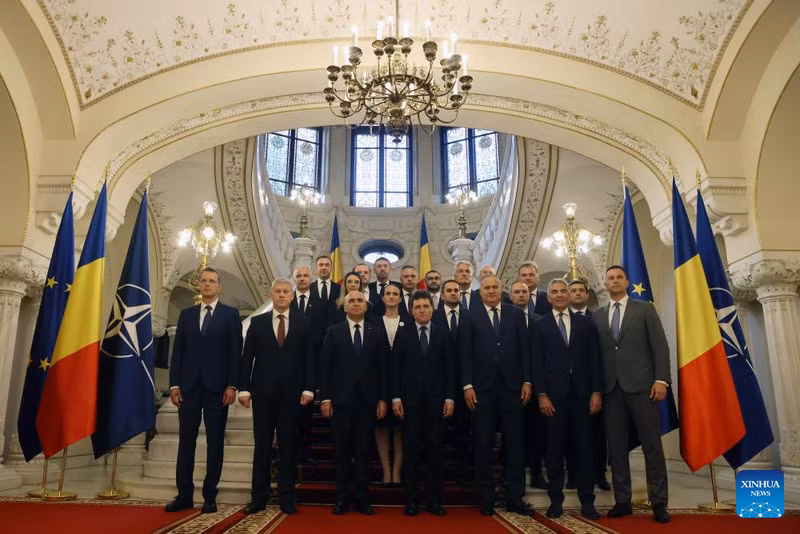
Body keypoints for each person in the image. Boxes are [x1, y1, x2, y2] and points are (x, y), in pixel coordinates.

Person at [593, 265, 671, 523]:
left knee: (652, 445)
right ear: (605, 284)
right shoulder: (598, 316)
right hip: (611, 390)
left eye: (619, 277)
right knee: (615, 448)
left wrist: (661, 380)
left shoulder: (644, 309)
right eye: (610, 278)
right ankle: (622, 500)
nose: (614, 281)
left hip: (642, 387)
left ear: (626, 281)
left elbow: (660, 345)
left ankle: (659, 502)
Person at [166, 267, 243, 514]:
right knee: (185, 443)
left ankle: (210, 496)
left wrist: (232, 385)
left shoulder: (231, 315)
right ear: (199, 285)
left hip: (217, 390)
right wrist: (174, 384)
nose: (208, 284)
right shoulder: (186, 315)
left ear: (219, 287)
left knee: (215, 443)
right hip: (188, 389)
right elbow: (177, 352)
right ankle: (184, 495)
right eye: (204, 281)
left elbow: (235, 354)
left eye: (212, 281)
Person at [238, 278, 315, 515]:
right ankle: (258, 498)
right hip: (262, 394)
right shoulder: (258, 322)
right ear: (271, 295)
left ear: (292, 296)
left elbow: (310, 358)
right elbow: (246, 358)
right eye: (278, 291)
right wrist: (244, 388)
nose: (282, 295)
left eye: (286, 292)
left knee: (288, 447)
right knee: (261, 446)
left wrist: (309, 388)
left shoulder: (304, 322)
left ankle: (287, 498)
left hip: (292, 395)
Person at [462, 275, 534, 517]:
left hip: (513, 389)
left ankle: (515, 498)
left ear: (501, 290)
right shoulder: (469, 315)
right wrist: (467, 385)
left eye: (495, 287)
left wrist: (527, 380)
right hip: (482, 390)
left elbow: (526, 349)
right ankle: (487, 498)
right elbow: (465, 353)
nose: (491, 291)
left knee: (515, 445)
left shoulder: (515, 314)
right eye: (487, 288)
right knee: (483, 445)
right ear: (480, 292)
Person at [532, 279, 603, 520]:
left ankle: (587, 500)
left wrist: (596, 392)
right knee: (554, 451)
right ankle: (555, 501)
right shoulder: (539, 326)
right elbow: (536, 363)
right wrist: (541, 394)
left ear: (570, 295)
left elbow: (595, 359)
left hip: (582, 396)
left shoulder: (585, 324)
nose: (560, 295)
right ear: (548, 297)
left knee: (584, 449)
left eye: (564, 291)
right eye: (555, 292)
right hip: (553, 398)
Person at [319, 291, 388, 515]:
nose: (356, 304)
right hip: (340, 402)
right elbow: (325, 367)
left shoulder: (377, 332)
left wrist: (381, 399)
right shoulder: (333, 332)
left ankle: (362, 498)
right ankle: (342, 498)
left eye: (360, 301)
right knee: (341, 452)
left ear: (366, 306)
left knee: (363, 452)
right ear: (344, 307)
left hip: (368, 403)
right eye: (352, 301)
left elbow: (382, 369)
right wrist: (326, 398)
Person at [393, 290, 455, 516]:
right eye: (417, 307)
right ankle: (411, 500)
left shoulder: (442, 333)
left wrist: (449, 397)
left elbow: (450, 368)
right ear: (411, 310)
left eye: (425, 306)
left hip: (437, 403)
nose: (422, 310)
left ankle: (434, 500)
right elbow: (396, 368)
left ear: (432, 308)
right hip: (409, 404)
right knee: (410, 453)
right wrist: (396, 397)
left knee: (435, 453)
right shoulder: (403, 333)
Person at [569, 279, 610, 491]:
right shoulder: (562, 320)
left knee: (597, 434)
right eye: (572, 290)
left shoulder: (597, 320)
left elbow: (599, 356)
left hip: (591, 385)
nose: (576, 294)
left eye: (580, 291)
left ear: (587, 295)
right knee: (572, 435)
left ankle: (599, 474)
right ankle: (574, 474)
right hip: (568, 388)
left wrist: (597, 388)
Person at [433, 279, 473, 486]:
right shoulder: (434, 316)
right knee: (438, 430)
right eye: (448, 290)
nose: (453, 293)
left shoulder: (470, 316)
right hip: (439, 383)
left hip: (465, 383)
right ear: (441, 295)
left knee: (463, 430)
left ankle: (463, 472)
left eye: (456, 290)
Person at [509, 281, 547, 490]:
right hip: (511, 386)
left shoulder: (539, 321)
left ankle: (536, 472)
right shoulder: (503, 320)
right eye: (517, 292)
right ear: (511, 296)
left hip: (536, 383)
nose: (521, 295)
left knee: (536, 432)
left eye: (525, 292)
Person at [292, 265, 329, 465]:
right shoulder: (287, 300)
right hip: (290, 362)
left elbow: (324, 329)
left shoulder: (321, 303)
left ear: (311, 279)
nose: (303, 279)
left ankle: (305, 452)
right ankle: (289, 452)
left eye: (306, 276)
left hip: (312, 359)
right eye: (299, 276)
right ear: (294, 279)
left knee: (306, 414)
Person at [375, 284, 403, 487]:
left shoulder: (409, 322)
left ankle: (397, 471)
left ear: (401, 299)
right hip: (379, 381)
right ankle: (386, 470)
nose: (392, 297)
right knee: (382, 427)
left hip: (404, 382)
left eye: (395, 294)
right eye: (388, 294)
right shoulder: (373, 323)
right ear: (383, 298)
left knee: (401, 429)